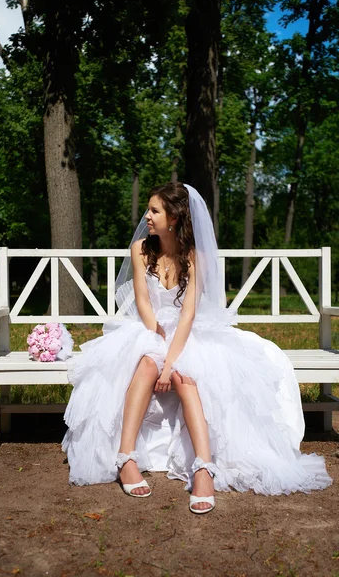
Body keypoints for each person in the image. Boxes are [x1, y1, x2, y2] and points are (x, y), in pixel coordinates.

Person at [62, 182, 332, 514]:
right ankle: (125, 457)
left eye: (155, 210)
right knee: (146, 362)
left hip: (188, 332)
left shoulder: (194, 256)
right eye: (149, 209)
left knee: (185, 374)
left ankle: (204, 467)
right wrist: (158, 345)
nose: (147, 216)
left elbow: (188, 313)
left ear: (174, 217)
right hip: (149, 327)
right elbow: (143, 303)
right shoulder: (140, 250)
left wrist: (171, 361)